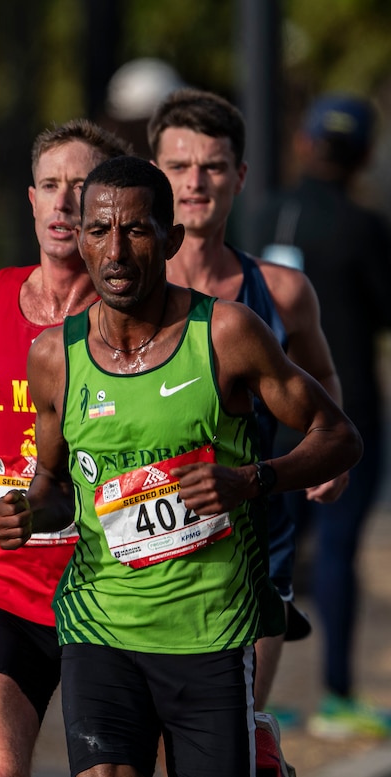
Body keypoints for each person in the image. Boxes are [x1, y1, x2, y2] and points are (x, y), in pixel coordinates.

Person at [0, 154, 361, 777]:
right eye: (99, 231)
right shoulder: (55, 356)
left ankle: (260, 751)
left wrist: (250, 481)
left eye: (136, 231)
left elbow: (338, 435)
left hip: (210, 630)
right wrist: (28, 509)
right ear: (79, 238)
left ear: (171, 239)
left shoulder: (226, 334)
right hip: (100, 622)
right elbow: (52, 484)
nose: (116, 251)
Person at [0, 118, 131, 776]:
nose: (64, 202)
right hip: (5, 578)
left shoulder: (136, 317)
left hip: (110, 584)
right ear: (32, 199)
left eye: (81, 186)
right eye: (51, 185)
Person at [147, 87, 346, 714]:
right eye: (178, 166)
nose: (195, 181)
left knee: (236, 724)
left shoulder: (282, 291)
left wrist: (329, 458)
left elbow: (324, 385)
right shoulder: (120, 295)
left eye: (212, 166)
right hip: (144, 535)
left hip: (257, 534)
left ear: (239, 176)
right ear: (155, 175)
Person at [253, 93, 391, 739]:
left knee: (259, 552)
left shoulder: (262, 213)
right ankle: (336, 694)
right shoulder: (362, 226)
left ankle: (252, 692)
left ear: (306, 142)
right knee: (335, 551)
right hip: (343, 407)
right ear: (363, 153)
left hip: (264, 406)